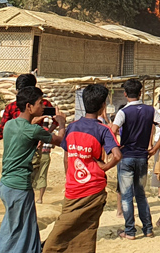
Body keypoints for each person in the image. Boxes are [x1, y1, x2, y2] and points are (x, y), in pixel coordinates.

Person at [43, 84, 121, 252]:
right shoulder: (103, 130)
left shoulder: (72, 127)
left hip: (73, 187)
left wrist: (69, 176)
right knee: (87, 229)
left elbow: (66, 156)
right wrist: (104, 168)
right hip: (94, 187)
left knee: (65, 226)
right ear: (102, 107)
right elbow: (117, 155)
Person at [0, 86, 65, 253]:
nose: (42, 107)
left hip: (6, 184)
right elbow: (60, 140)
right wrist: (61, 123)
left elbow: (24, 133)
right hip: (19, 186)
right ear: (29, 106)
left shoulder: (11, 125)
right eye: (40, 103)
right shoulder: (33, 130)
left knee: (21, 225)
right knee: (16, 230)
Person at [111, 79, 160, 240]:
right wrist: (154, 149)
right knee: (141, 194)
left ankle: (129, 231)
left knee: (127, 195)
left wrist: (117, 147)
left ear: (125, 94)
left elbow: (113, 130)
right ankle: (148, 228)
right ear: (140, 93)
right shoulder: (150, 110)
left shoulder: (123, 112)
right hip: (143, 156)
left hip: (127, 156)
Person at [0, 73, 54, 164]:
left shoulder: (42, 106)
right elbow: (1, 132)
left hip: (34, 151)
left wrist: (45, 135)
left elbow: (56, 120)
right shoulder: (11, 108)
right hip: (16, 150)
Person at [31, 118, 52, 204]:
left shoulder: (37, 131)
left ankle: (30, 197)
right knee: (43, 175)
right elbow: (53, 145)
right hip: (46, 155)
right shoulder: (50, 133)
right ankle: (40, 198)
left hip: (36, 155)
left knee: (31, 175)